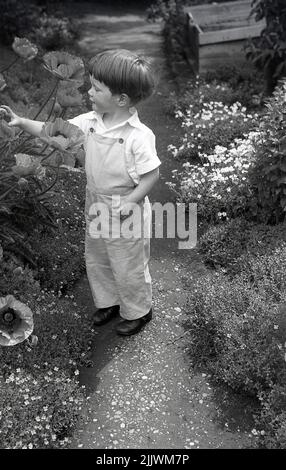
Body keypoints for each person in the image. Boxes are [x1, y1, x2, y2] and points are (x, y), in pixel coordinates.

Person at [1, 49, 161, 336]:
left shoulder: (139, 136)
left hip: (126, 209)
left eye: (96, 88)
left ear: (121, 99)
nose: (89, 92)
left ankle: (139, 310)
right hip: (96, 203)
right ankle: (109, 301)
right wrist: (22, 122)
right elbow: (52, 131)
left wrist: (131, 201)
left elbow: (152, 176)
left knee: (128, 262)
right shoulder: (90, 121)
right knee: (98, 256)